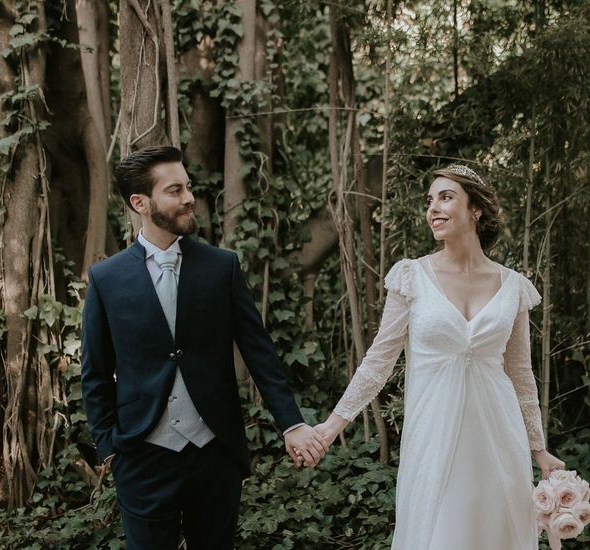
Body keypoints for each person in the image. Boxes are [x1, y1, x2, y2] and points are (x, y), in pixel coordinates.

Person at [80, 146, 327, 550]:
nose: (189, 198)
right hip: (143, 458)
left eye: (188, 187)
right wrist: (110, 450)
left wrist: (292, 423)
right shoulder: (106, 279)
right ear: (140, 203)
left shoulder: (221, 266)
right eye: (174, 190)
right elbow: (94, 371)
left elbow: (259, 352)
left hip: (214, 454)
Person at [314, 164, 565, 549]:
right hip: (433, 439)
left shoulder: (512, 286)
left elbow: (520, 374)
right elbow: (378, 362)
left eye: (446, 197)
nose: (433, 208)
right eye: (430, 200)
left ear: (475, 209)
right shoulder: (411, 277)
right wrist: (329, 429)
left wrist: (539, 450)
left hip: (498, 440)